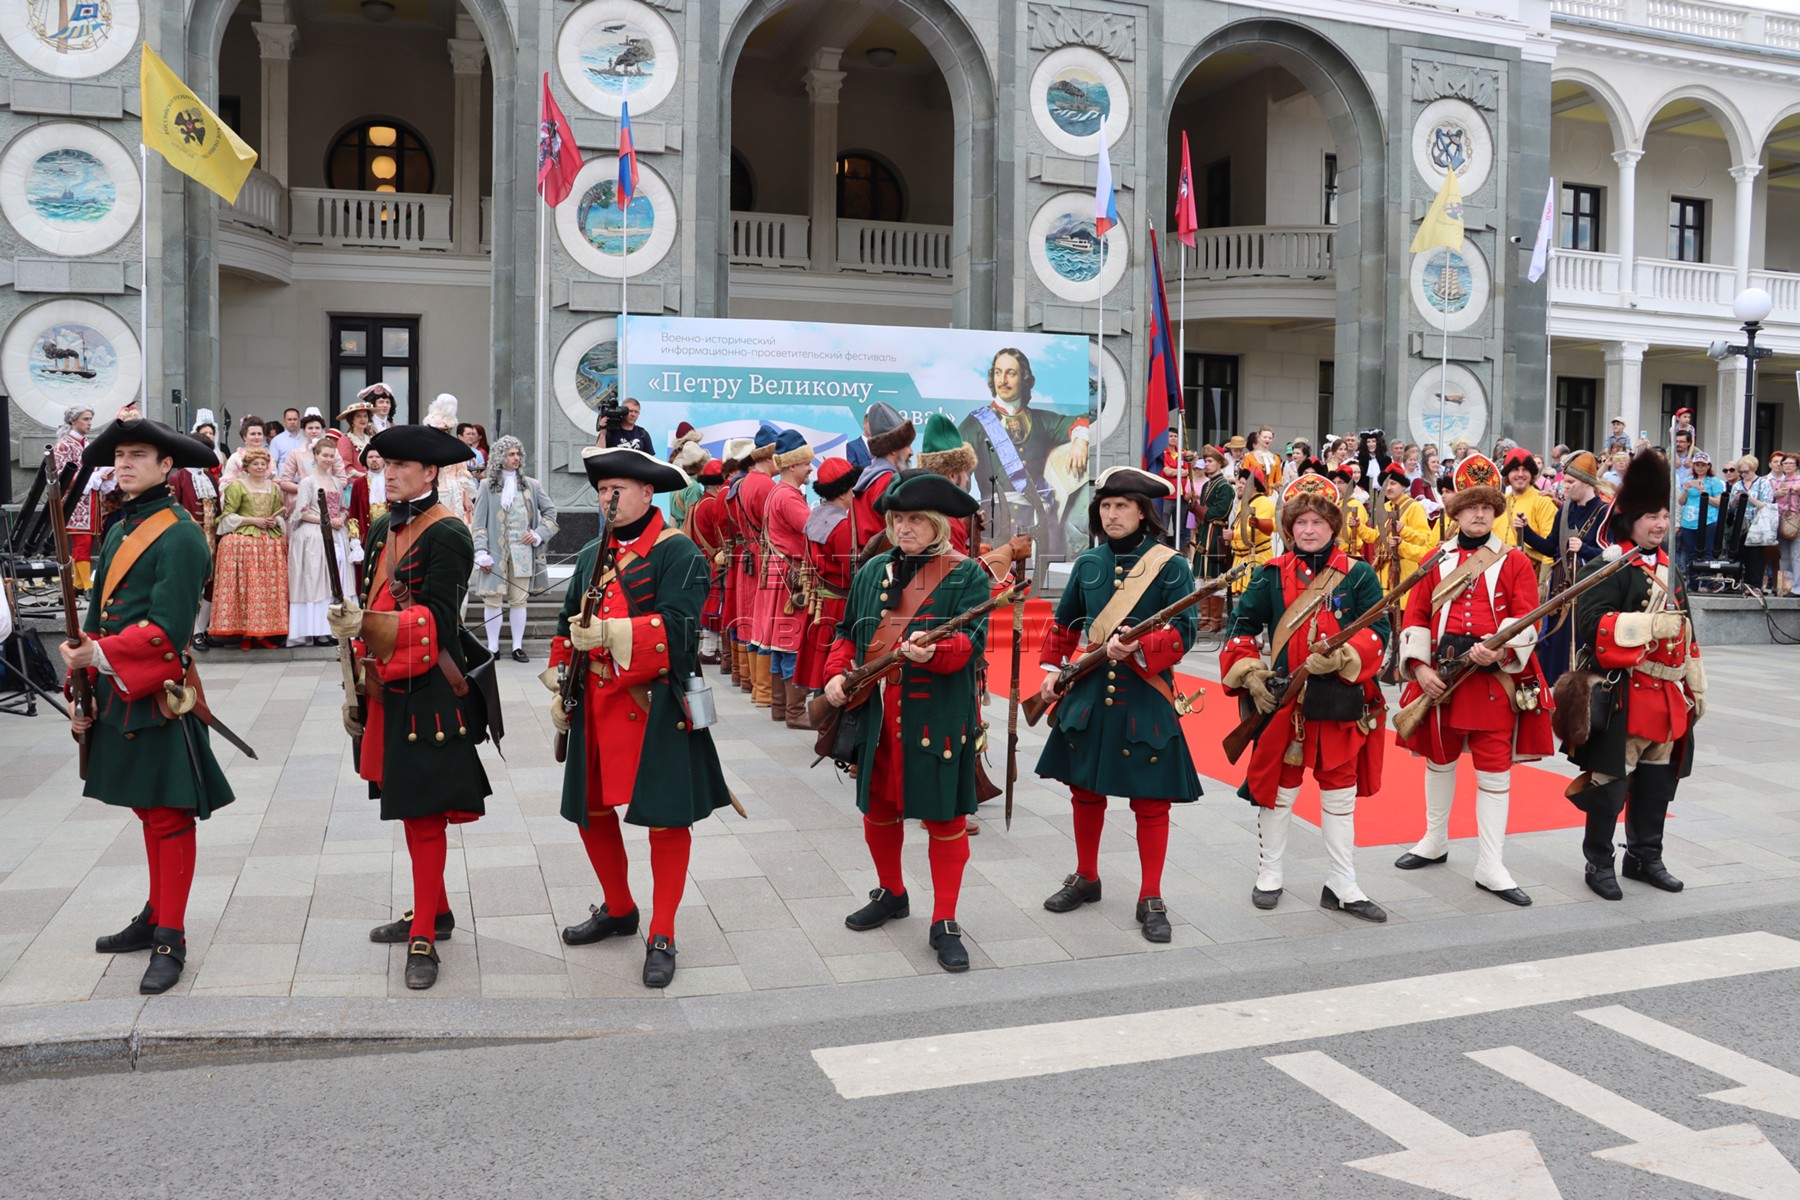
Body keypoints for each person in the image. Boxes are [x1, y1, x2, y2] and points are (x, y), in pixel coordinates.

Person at [61, 417, 235, 995]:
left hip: (155, 689)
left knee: (168, 816)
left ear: (167, 466)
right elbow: (94, 612)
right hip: (113, 683)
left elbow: (167, 630)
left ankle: (171, 936)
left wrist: (100, 653)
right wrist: (78, 674)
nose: (125, 463)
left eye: (139, 455)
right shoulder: (119, 525)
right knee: (146, 810)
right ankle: (154, 913)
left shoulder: (181, 534)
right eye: (120, 456)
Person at [549, 446, 734, 989]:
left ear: (647, 494)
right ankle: (619, 907)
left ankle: (662, 931)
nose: (608, 498)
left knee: (666, 818)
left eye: (619, 490)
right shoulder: (590, 554)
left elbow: (680, 635)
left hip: (653, 705)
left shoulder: (678, 553)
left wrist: (611, 634)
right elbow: (565, 626)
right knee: (590, 810)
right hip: (594, 702)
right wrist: (560, 687)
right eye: (603, 490)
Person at [327, 424, 492, 991]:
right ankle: (436, 910)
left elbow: (439, 625)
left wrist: (369, 625)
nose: (389, 474)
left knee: (423, 817)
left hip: (428, 691)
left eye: (400, 467)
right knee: (407, 805)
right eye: (384, 465)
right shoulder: (380, 525)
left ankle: (426, 933)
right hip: (385, 684)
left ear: (429, 474)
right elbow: (373, 599)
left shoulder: (450, 532)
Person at [822, 471, 991, 972]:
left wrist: (934, 651)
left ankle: (944, 920)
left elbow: (972, 646)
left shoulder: (967, 574)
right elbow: (847, 634)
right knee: (878, 810)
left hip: (936, 714)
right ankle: (892, 892)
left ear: (937, 523)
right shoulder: (873, 569)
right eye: (897, 518)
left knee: (944, 819)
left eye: (915, 519)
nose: (904, 527)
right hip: (877, 714)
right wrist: (834, 675)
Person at [1035, 467, 1203, 942]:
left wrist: (1141, 646)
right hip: (1088, 692)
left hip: (1143, 694)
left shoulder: (1171, 565)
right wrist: (1051, 673)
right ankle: (1086, 876)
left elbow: (1185, 630)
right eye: (1106, 506)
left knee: (1150, 802)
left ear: (1143, 513)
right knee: (1084, 792)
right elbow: (1066, 621)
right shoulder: (1089, 561)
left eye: (1121, 506)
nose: (1111, 514)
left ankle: (1150, 894)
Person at [1221, 473, 1392, 921]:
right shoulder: (1270, 575)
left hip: (1340, 703)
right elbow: (1240, 627)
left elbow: (1379, 630)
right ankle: (1269, 874)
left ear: (1333, 527)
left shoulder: (1358, 575)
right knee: (1278, 794)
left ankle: (1342, 883)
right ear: (1289, 528)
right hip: (1284, 703)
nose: (1309, 530)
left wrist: (1343, 657)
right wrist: (1250, 672)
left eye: (1318, 521)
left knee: (1339, 796)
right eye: (1301, 522)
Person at [1393, 453, 1552, 907]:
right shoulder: (1434, 558)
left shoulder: (1515, 561)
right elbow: (1416, 613)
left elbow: (1527, 617)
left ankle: (1490, 863)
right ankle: (1434, 839)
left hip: (1492, 681)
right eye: (1470, 506)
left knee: (1494, 772)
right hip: (1441, 677)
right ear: (1456, 512)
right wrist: (1419, 668)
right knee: (1438, 760)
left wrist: (1501, 649)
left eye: (1487, 506)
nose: (1479, 513)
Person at [1563, 450, 1704, 900]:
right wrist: (1644, 626)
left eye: (1664, 515)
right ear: (1630, 519)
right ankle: (1598, 861)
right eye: (1651, 516)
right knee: (1610, 783)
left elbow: (1686, 633)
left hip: (1666, 693)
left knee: (1657, 784)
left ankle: (1645, 856)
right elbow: (1591, 626)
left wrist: (1694, 684)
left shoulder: (1669, 566)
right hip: (1626, 692)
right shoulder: (1609, 564)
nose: (1660, 524)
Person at [958, 347, 1092, 559]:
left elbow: (1079, 420)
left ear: (1025, 378)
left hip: (1041, 526)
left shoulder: (1041, 420)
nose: (1003, 380)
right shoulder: (974, 424)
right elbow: (958, 478)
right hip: (995, 530)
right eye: (998, 372)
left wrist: (1080, 439)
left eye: (1011, 373)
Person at [471, 436, 558, 663]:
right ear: (501, 457)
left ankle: (518, 646)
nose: (516, 458)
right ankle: (492, 648)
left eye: (518, 454)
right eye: (511, 454)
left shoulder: (532, 485)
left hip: (522, 554)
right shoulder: (485, 485)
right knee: (492, 600)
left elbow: (551, 513)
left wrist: (538, 533)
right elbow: (478, 524)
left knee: (519, 601)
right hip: (494, 554)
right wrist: (481, 552)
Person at [756, 427, 815, 728]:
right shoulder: (789, 497)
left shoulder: (777, 492)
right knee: (792, 644)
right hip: (790, 580)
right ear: (792, 464)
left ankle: (780, 709)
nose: (810, 468)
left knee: (780, 645)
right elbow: (814, 530)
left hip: (778, 577)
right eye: (806, 463)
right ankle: (794, 712)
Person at [1536, 451, 1612, 678]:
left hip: (1586, 595)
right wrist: (1526, 530)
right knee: (1554, 647)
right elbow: (1551, 548)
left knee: (1578, 647)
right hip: (1559, 591)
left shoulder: (1604, 512)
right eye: (1564, 481)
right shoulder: (1564, 510)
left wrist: (1585, 549)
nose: (1564, 486)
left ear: (1586, 482)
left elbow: (1613, 556)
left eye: (1570, 482)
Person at [208, 447, 288, 649]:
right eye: (256, 464)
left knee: (263, 589)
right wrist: (254, 520)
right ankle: (245, 634)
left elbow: (278, 513)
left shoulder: (274, 487)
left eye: (263, 464)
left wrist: (274, 521)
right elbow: (226, 517)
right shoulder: (237, 486)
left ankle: (261, 634)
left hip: (267, 543)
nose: (260, 467)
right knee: (247, 589)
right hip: (244, 542)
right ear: (247, 467)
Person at [795, 457, 858, 701]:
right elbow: (850, 571)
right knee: (834, 668)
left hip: (821, 602)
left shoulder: (815, 515)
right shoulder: (842, 526)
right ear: (844, 491)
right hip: (837, 605)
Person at [731, 422, 782, 707]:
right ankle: (762, 690)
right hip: (763, 555)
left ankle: (753, 684)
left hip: (749, 553)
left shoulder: (745, 482)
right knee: (763, 622)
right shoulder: (765, 485)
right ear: (766, 456)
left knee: (750, 619)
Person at [287, 437, 352, 648]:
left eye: (332, 456)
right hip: (314, 535)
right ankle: (316, 629)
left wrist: (341, 519)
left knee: (337, 576)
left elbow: (343, 507)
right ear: (315, 456)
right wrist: (326, 521)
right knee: (318, 578)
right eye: (325, 455)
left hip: (335, 533)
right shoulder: (307, 482)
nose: (328, 459)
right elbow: (302, 511)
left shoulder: (336, 482)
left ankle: (334, 627)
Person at [850, 402, 915, 555]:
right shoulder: (887, 481)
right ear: (893, 449)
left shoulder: (869, 478)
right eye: (907, 446)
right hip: (885, 567)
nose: (911, 452)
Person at [684, 458, 732, 665]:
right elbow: (719, 534)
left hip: (701, 559)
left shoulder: (698, 503)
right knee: (714, 607)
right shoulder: (713, 504)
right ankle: (710, 650)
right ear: (720, 483)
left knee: (709, 606)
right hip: (714, 561)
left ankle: (709, 648)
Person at [52, 405, 98, 589]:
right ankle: (86, 584)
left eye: (90, 419)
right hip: (73, 502)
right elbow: (62, 474)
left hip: (88, 500)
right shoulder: (64, 444)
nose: (89, 423)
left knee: (86, 541)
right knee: (82, 542)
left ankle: (78, 584)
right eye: (86, 419)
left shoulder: (85, 443)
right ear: (73, 421)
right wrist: (91, 476)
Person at [1190, 446, 1234, 630]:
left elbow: (1220, 511)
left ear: (1219, 463)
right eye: (1205, 461)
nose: (1206, 465)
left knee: (1215, 576)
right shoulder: (1207, 485)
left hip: (1216, 534)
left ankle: (1215, 621)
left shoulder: (1225, 486)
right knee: (1201, 576)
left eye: (1210, 461)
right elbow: (1204, 514)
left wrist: (1201, 511)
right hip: (1204, 533)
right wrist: (1198, 510)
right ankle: (1204, 618)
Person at [1497, 448, 1559, 579]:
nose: (1520, 474)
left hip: (1529, 575)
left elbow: (1550, 549)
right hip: (1500, 574)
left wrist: (1543, 584)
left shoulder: (1543, 502)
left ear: (1532, 474)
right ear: (1507, 474)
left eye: (1525, 470)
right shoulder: (1500, 503)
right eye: (1515, 470)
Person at [1374, 463, 1433, 590]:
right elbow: (1377, 538)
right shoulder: (1384, 508)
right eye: (1385, 484)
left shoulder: (1415, 507)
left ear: (1403, 486)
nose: (1388, 488)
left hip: (1404, 571)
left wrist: (1404, 531)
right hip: (1383, 572)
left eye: (1393, 483)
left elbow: (1425, 539)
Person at [1228, 456, 1277, 607]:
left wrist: (1233, 535)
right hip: (1241, 558)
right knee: (1244, 600)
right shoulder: (1245, 503)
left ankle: (1254, 630)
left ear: (1254, 486)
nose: (1239, 486)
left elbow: (1254, 531)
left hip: (1256, 557)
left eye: (1243, 483)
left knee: (1254, 600)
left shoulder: (1264, 502)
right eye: (1239, 483)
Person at [424, 395, 477, 524]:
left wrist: (466, 497)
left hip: (453, 492)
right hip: (431, 489)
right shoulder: (426, 447)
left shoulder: (455, 447)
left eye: (445, 429)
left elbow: (462, 474)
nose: (442, 432)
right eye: (438, 429)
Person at [1733, 454, 1778, 591]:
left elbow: (1766, 505)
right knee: (1740, 554)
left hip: (1757, 525)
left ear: (1754, 469)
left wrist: (1749, 498)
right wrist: (1735, 499)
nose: (1743, 475)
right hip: (1740, 524)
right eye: (1741, 472)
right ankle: (1742, 584)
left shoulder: (1763, 483)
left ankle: (1756, 585)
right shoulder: (1737, 485)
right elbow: (1730, 507)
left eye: (1746, 471)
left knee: (1756, 556)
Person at [1675, 450, 1723, 578]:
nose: (1700, 468)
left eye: (1703, 465)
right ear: (1693, 466)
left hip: (1708, 520)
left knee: (1707, 552)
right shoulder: (1688, 479)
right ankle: (1693, 582)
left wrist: (1704, 492)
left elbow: (1719, 502)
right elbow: (1681, 502)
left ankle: (1706, 581)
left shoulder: (1714, 481)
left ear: (1708, 466)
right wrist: (1685, 490)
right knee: (1691, 553)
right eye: (1697, 465)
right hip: (1689, 522)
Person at [1775, 451, 1800, 595]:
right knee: (1783, 555)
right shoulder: (1778, 481)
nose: (1787, 466)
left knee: (1796, 555)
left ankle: (1797, 588)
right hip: (1781, 520)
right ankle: (1784, 587)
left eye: (1791, 463)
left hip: (1796, 521)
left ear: (1796, 465)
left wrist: (1793, 489)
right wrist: (1776, 494)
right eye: (1785, 463)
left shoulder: (1798, 480)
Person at [220, 415, 269, 487]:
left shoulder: (268, 457)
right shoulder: (235, 458)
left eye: (259, 434)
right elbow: (226, 485)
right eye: (252, 434)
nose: (257, 437)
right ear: (244, 437)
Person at [269, 407, 305, 472]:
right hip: (283, 480)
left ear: (299, 420)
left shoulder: (305, 439)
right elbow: (272, 464)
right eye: (289, 419)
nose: (292, 422)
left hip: (303, 480)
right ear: (284, 421)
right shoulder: (277, 440)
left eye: (295, 419)